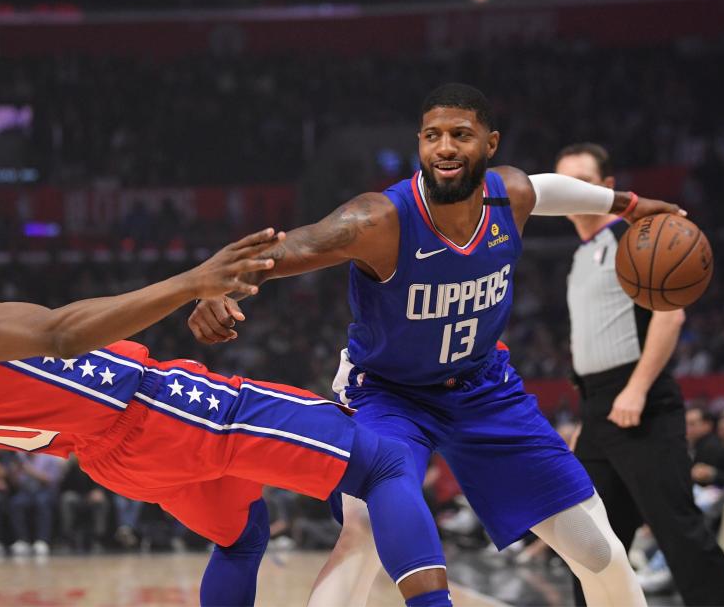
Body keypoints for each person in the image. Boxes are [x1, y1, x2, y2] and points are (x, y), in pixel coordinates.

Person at [189, 82, 682, 606]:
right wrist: (214, 285)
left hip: (485, 389)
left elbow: (552, 191)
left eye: (460, 135)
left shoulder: (509, 193)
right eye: (433, 136)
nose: (445, 147)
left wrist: (629, 204)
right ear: (419, 143)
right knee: (364, 535)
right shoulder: (378, 219)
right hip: (388, 395)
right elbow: (290, 247)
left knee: (599, 549)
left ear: (489, 144)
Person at [0, 209, 452, 607]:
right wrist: (190, 282)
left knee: (241, 535)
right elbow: (61, 333)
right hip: (161, 409)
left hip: (114, 463)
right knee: (388, 465)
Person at [555, 142, 724, 606]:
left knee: (677, 528)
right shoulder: (579, 256)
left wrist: (635, 390)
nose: (574, 190)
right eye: (566, 181)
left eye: (585, 179)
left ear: (609, 188)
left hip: (641, 402)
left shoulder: (633, 238)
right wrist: (587, 417)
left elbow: (669, 316)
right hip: (598, 409)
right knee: (592, 542)